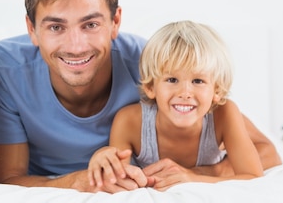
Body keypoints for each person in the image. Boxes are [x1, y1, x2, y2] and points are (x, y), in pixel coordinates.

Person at [0, 0, 281, 193]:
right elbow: (7, 181)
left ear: (116, 22)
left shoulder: (158, 67)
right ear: (31, 29)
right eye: (56, 26)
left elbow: (262, 151)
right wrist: (76, 181)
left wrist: (203, 173)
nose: (75, 45)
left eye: (91, 24)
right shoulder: (2, 70)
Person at [88, 20, 264, 191]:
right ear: (150, 87)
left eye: (198, 80)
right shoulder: (129, 121)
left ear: (216, 90)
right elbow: (118, 182)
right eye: (172, 79)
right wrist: (104, 161)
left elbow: (252, 177)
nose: (185, 92)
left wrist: (192, 178)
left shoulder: (225, 114)